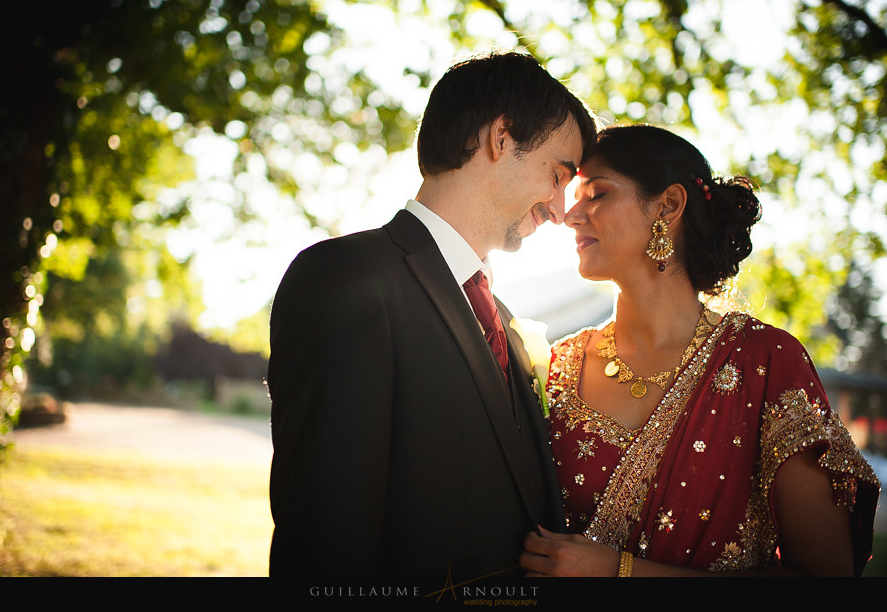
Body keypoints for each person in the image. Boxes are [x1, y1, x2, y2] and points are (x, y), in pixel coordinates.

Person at [267, 50, 598, 583]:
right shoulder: (346, 280)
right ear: (502, 138)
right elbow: (324, 543)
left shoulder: (506, 323)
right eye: (557, 175)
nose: (561, 210)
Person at [520, 124, 881, 577]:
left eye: (596, 194)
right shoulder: (556, 367)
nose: (570, 215)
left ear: (668, 205)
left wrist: (620, 572)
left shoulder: (764, 362)